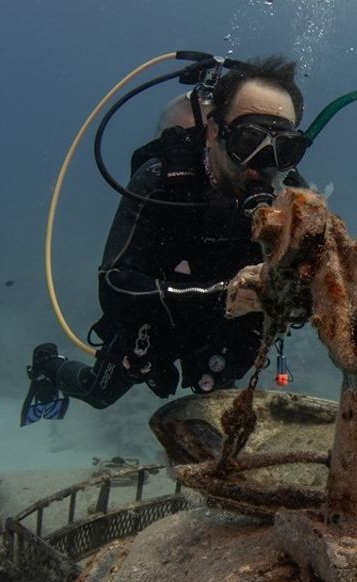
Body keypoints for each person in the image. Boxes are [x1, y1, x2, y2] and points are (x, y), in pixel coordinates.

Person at [22, 55, 310, 426]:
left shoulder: (291, 197)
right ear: (213, 132)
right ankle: (48, 367)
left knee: (214, 409)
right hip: (155, 322)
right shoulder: (161, 180)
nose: (262, 162)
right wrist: (226, 296)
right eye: (249, 139)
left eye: (282, 148)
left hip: (229, 333)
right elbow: (114, 286)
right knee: (99, 392)